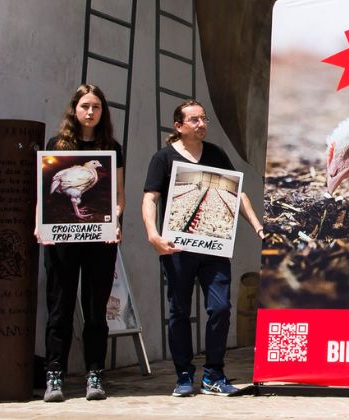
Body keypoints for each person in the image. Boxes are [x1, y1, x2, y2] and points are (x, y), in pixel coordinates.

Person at [142, 100, 266, 397]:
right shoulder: (164, 158)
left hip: (213, 247)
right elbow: (150, 198)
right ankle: (184, 374)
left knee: (220, 308)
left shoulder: (216, 155)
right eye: (194, 120)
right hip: (177, 250)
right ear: (179, 126)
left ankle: (214, 374)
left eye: (204, 119)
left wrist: (258, 227)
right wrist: (153, 235)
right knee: (179, 311)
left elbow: (237, 194)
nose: (201, 124)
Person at [35, 84, 125, 402]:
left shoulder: (111, 147)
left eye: (96, 107)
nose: (90, 112)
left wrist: (114, 222)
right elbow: (43, 193)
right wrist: (39, 225)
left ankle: (95, 374)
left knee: (95, 310)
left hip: (99, 240)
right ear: (75, 109)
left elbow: (118, 196)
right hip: (61, 240)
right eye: (85, 106)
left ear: (103, 112)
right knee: (59, 308)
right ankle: (55, 375)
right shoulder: (56, 146)